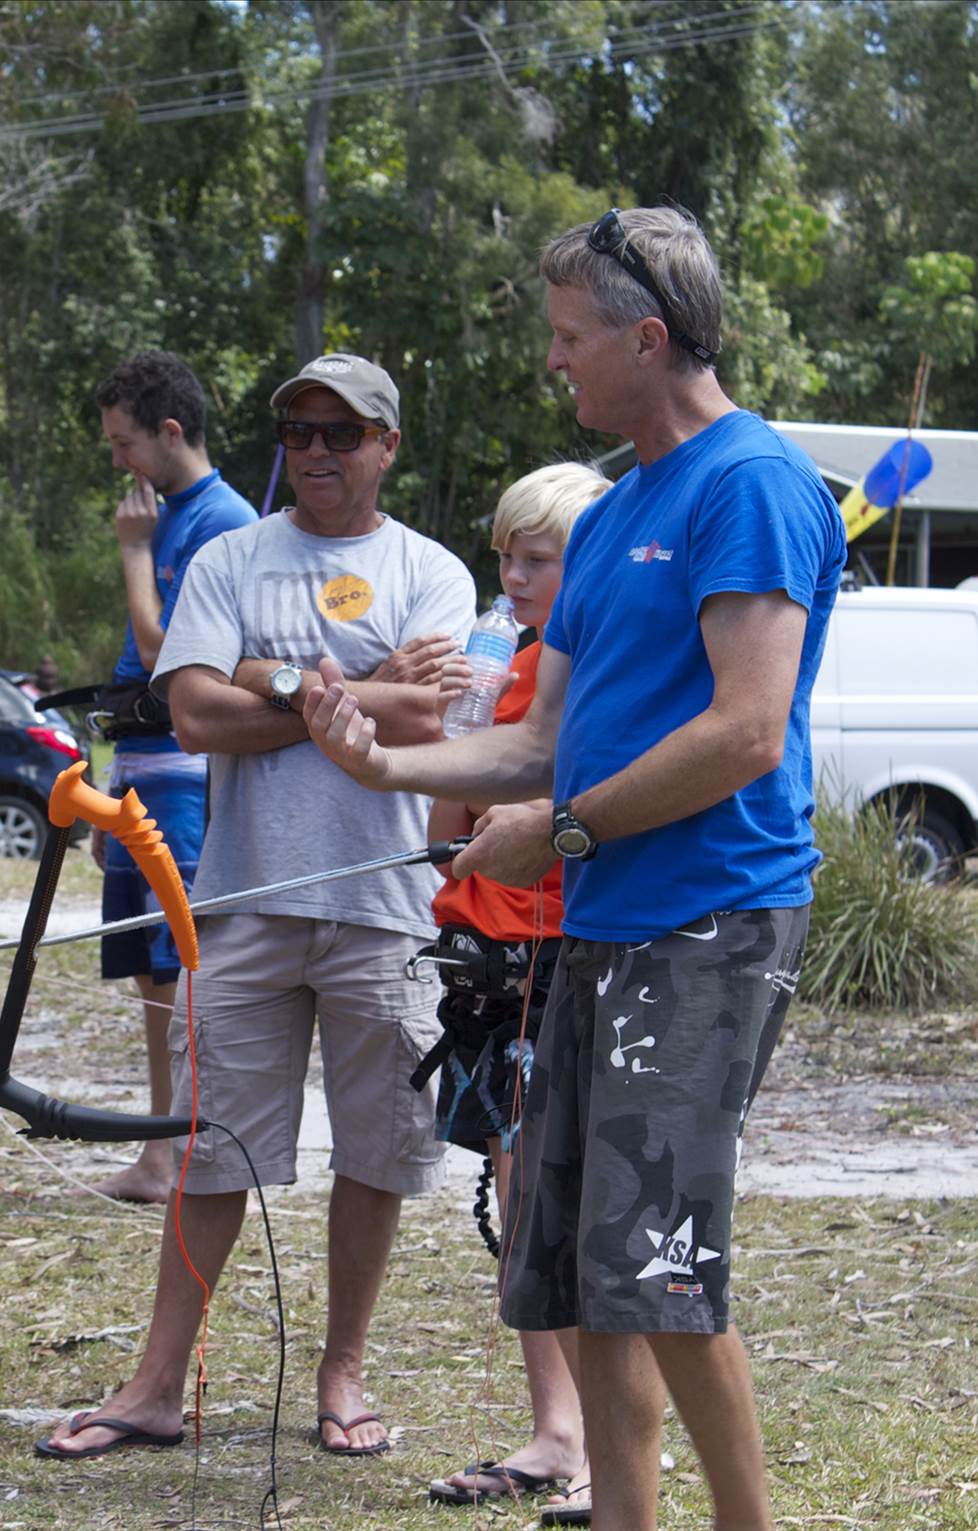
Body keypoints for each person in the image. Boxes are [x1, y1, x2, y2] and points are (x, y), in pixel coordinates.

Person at [304, 207, 845, 1530]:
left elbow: (741, 728)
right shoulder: (607, 519)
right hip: (602, 918)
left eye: (567, 337)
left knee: (651, 1251)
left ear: (645, 337)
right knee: (570, 1256)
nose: (554, 363)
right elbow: (537, 739)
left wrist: (564, 830)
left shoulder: (750, 485)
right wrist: (385, 764)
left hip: (711, 915)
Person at [41, 351, 476, 1462]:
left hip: (385, 901)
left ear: (386, 445)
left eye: (343, 433)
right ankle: (153, 1384)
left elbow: (430, 721)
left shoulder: (433, 571)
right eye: (300, 433)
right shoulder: (233, 553)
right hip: (241, 900)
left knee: (375, 1151)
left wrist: (267, 674)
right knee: (210, 1148)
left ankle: (342, 1372)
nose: (318, 452)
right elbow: (192, 715)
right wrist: (333, 688)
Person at [419, 464, 608, 1516]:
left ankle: (598, 1451)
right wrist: (454, 721)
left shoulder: (584, 672)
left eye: (540, 557)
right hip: (486, 975)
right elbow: (447, 835)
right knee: (514, 1204)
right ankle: (554, 1429)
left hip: (561, 965)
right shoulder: (499, 668)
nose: (515, 573)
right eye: (505, 555)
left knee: (562, 1204)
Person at [83, 349, 256, 1203]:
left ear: (171, 432)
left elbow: (164, 653)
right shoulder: (170, 516)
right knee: (153, 972)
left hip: (185, 777)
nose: (118, 462)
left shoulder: (216, 520)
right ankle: (163, 1147)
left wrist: (132, 552)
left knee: (181, 965)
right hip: (140, 773)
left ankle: (183, 1148)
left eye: (124, 443)